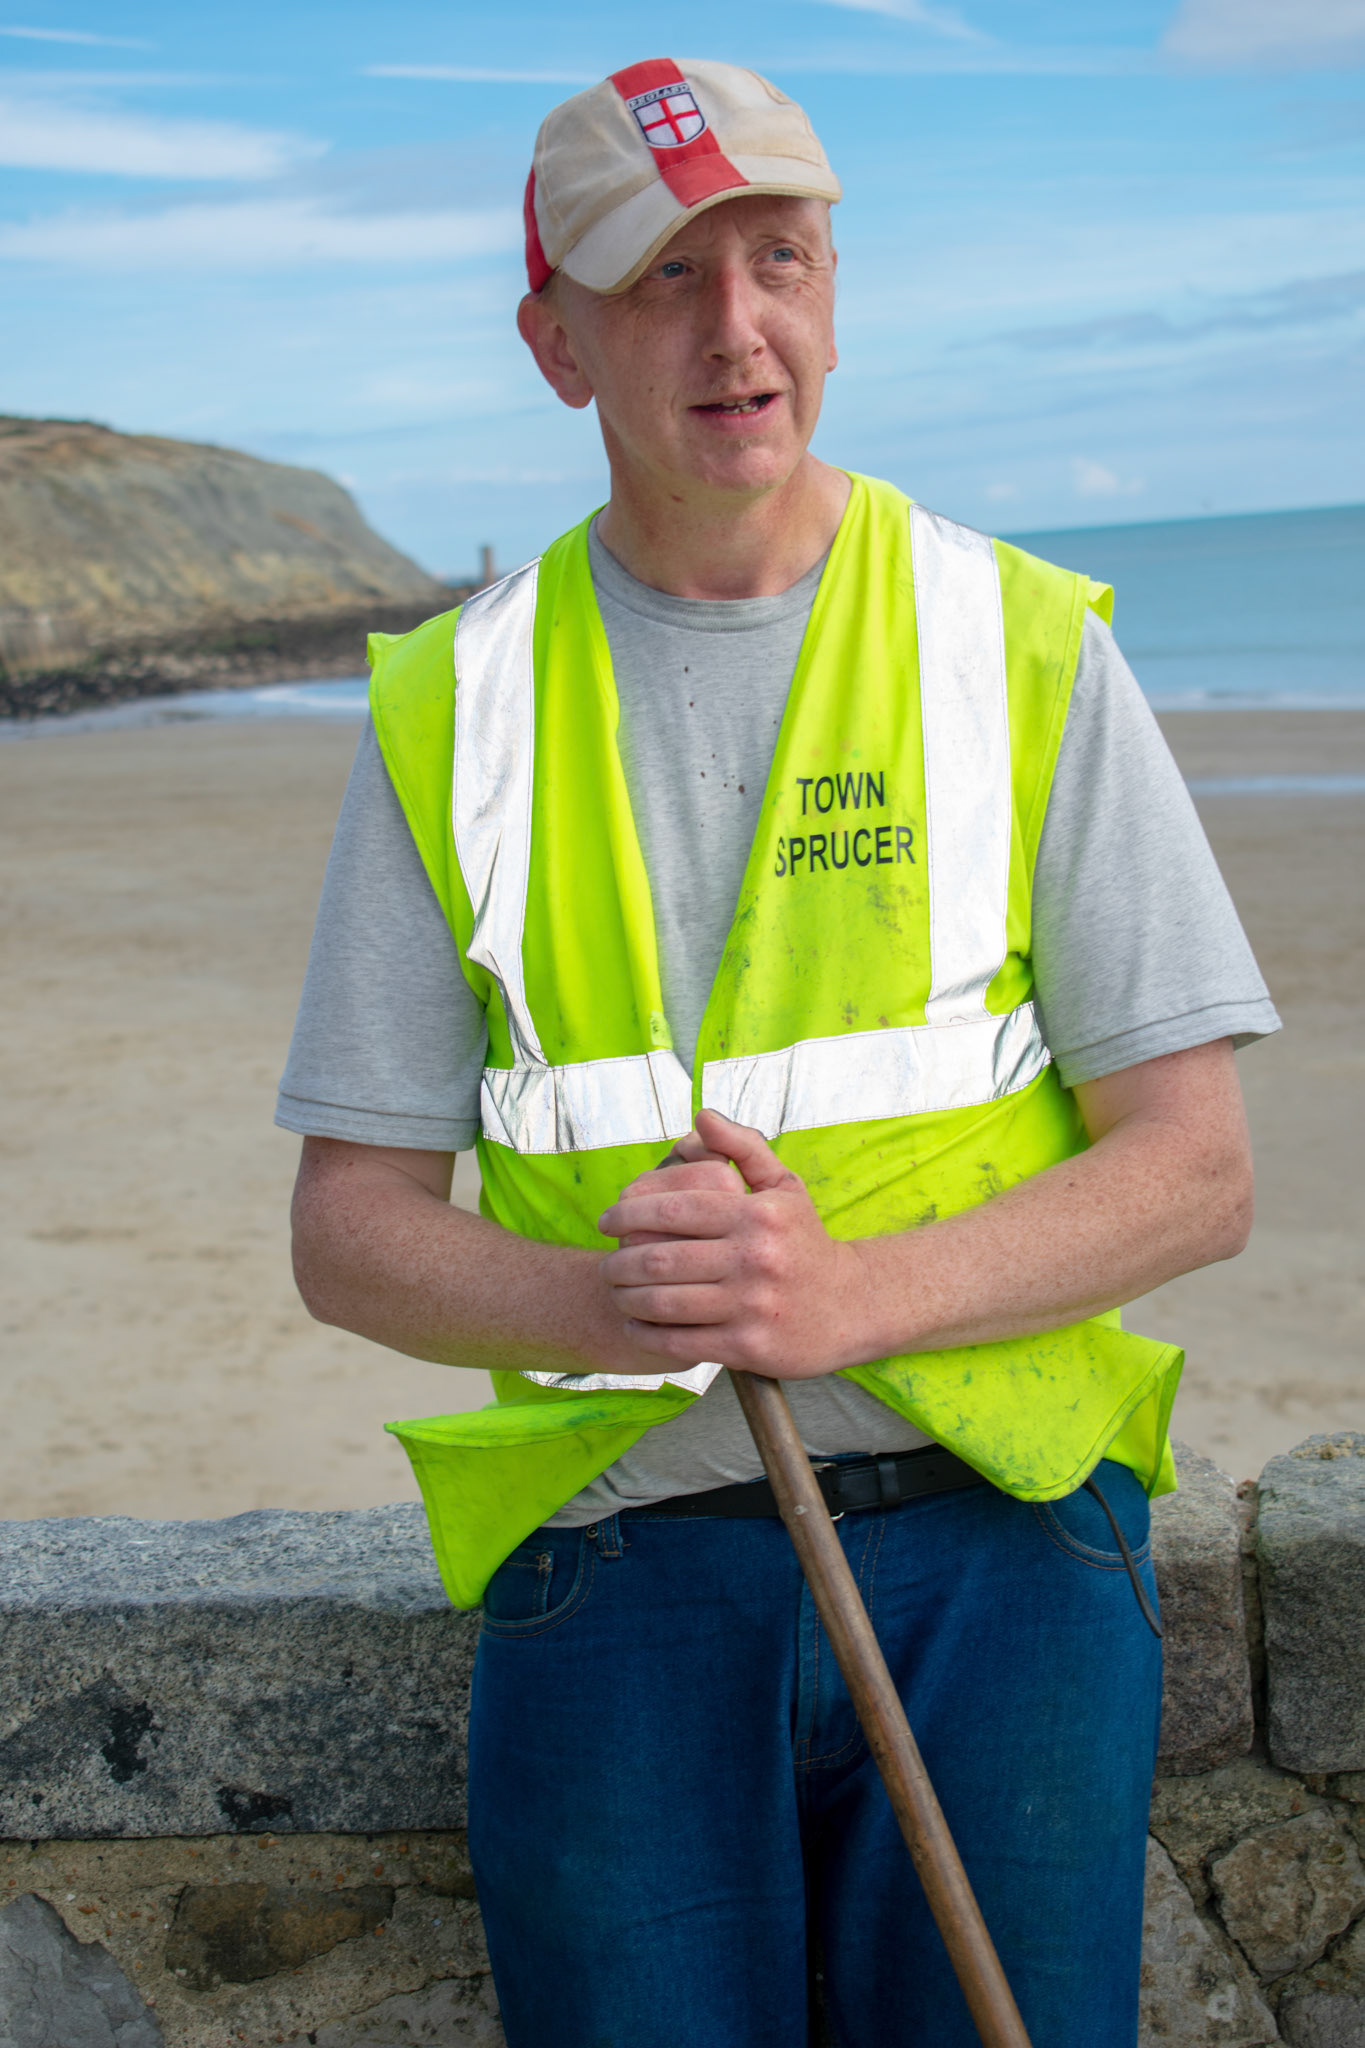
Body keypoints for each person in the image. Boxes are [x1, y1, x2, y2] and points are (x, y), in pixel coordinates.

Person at [278, 58, 1279, 2048]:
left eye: (778, 263)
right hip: (618, 1578)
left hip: (1008, 1559)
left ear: (835, 289)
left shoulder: (1017, 638)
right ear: (553, 340)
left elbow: (1195, 1164)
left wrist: (843, 1295)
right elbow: (348, 1228)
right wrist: (612, 1294)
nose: (735, 330)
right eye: (661, 280)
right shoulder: (453, 705)